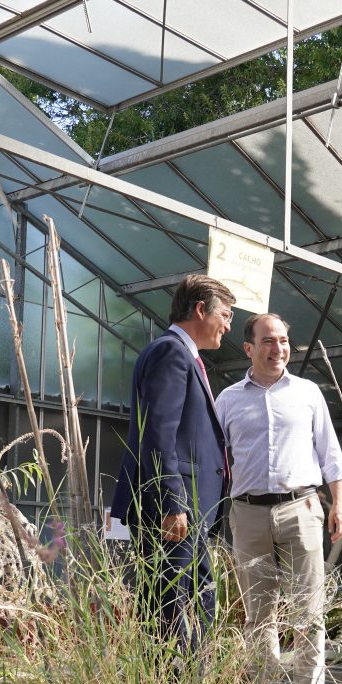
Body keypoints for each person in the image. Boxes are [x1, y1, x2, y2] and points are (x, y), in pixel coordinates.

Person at [215, 312, 342, 684]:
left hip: (301, 508)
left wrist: (339, 504)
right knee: (259, 616)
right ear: (249, 348)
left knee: (308, 612)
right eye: (269, 341)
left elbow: (330, 453)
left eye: (284, 340)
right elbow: (215, 458)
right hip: (248, 513)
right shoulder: (228, 400)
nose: (279, 349)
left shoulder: (307, 393)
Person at [110, 275, 235, 661]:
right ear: (200, 310)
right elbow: (159, 435)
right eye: (225, 315)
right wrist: (172, 504)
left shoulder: (180, 354)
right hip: (175, 513)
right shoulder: (171, 352)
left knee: (194, 606)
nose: (228, 326)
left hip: (187, 512)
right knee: (172, 613)